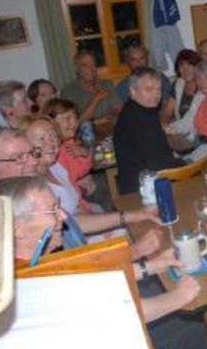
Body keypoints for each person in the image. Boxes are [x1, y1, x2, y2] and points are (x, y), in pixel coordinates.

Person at [0, 176, 207, 349]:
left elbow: (92, 281)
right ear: (17, 230)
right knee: (194, 335)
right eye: (52, 210)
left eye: (59, 206)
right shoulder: (28, 282)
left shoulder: (25, 263)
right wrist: (179, 297)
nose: (63, 216)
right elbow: (121, 314)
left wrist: (151, 266)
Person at [22, 116, 160, 247]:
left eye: (53, 135)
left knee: (145, 228)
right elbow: (72, 224)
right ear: (25, 145)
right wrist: (128, 217)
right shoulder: (31, 187)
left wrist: (105, 224)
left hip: (83, 234)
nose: (50, 142)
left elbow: (78, 208)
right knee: (142, 233)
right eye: (41, 138)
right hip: (71, 248)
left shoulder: (56, 167)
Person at [114, 67, 183, 195]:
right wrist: (183, 164)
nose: (156, 95)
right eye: (149, 90)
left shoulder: (139, 109)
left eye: (158, 90)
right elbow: (157, 164)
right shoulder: (138, 119)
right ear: (132, 91)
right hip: (142, 190)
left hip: (141, 179)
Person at [43, 98, 96, 211]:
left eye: (75, 118)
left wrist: (85, 154)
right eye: (67, 119)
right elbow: (69, 182)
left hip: (78, 202)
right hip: (73, 208)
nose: (74, 123)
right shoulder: (54, 151)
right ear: (51, 122)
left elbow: (81, 170)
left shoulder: (68, 143)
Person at [165, 61, 207, 155]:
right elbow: (188, 121)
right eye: (198, 78)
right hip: (196, 144)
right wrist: (169, 128)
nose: (202, 82)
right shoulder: (200, 96)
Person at [60, 52, 123, 137]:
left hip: (113, 132)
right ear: (76, 69)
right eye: (85, 65)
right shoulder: (68, 92)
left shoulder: (106, 84)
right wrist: (96, 99)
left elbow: (118, 109)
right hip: (85, 137)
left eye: (93, 65)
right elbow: (75, 124)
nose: (91, 69)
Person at [162, 49, 201, 124]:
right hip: (181, 129)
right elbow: (167, 111)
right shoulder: (177, 84)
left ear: (197, 66)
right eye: (181, 65)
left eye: (189, 65)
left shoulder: (205, 83)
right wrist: (164, 125)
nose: (185, 70)